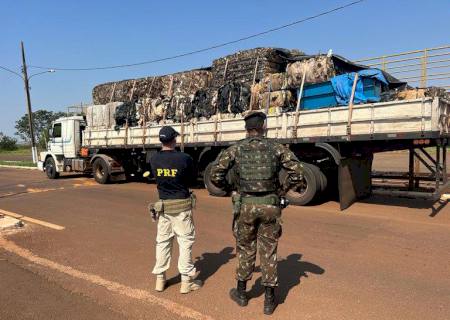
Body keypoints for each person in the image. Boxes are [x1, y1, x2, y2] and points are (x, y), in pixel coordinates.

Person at [210, 111, 304, 315]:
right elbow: (298, 173)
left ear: (246, 129)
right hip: (270, 205)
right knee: (269, 251)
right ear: (264, 127)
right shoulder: (277, 148)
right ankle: (269, 301)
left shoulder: (235, 149)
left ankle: (242, 293)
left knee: (245, 248)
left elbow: (215, 174)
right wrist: (281, 191)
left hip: (245, 205)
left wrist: (230, 189)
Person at [149, 126, 202, 294]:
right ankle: (186, 282)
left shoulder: (154, 159)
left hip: (164, 208)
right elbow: (192, 179)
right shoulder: (184, 158)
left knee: (163, 243)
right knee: (185, 242)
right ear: (174, 140)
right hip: (181, 208)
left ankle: (160, 280)